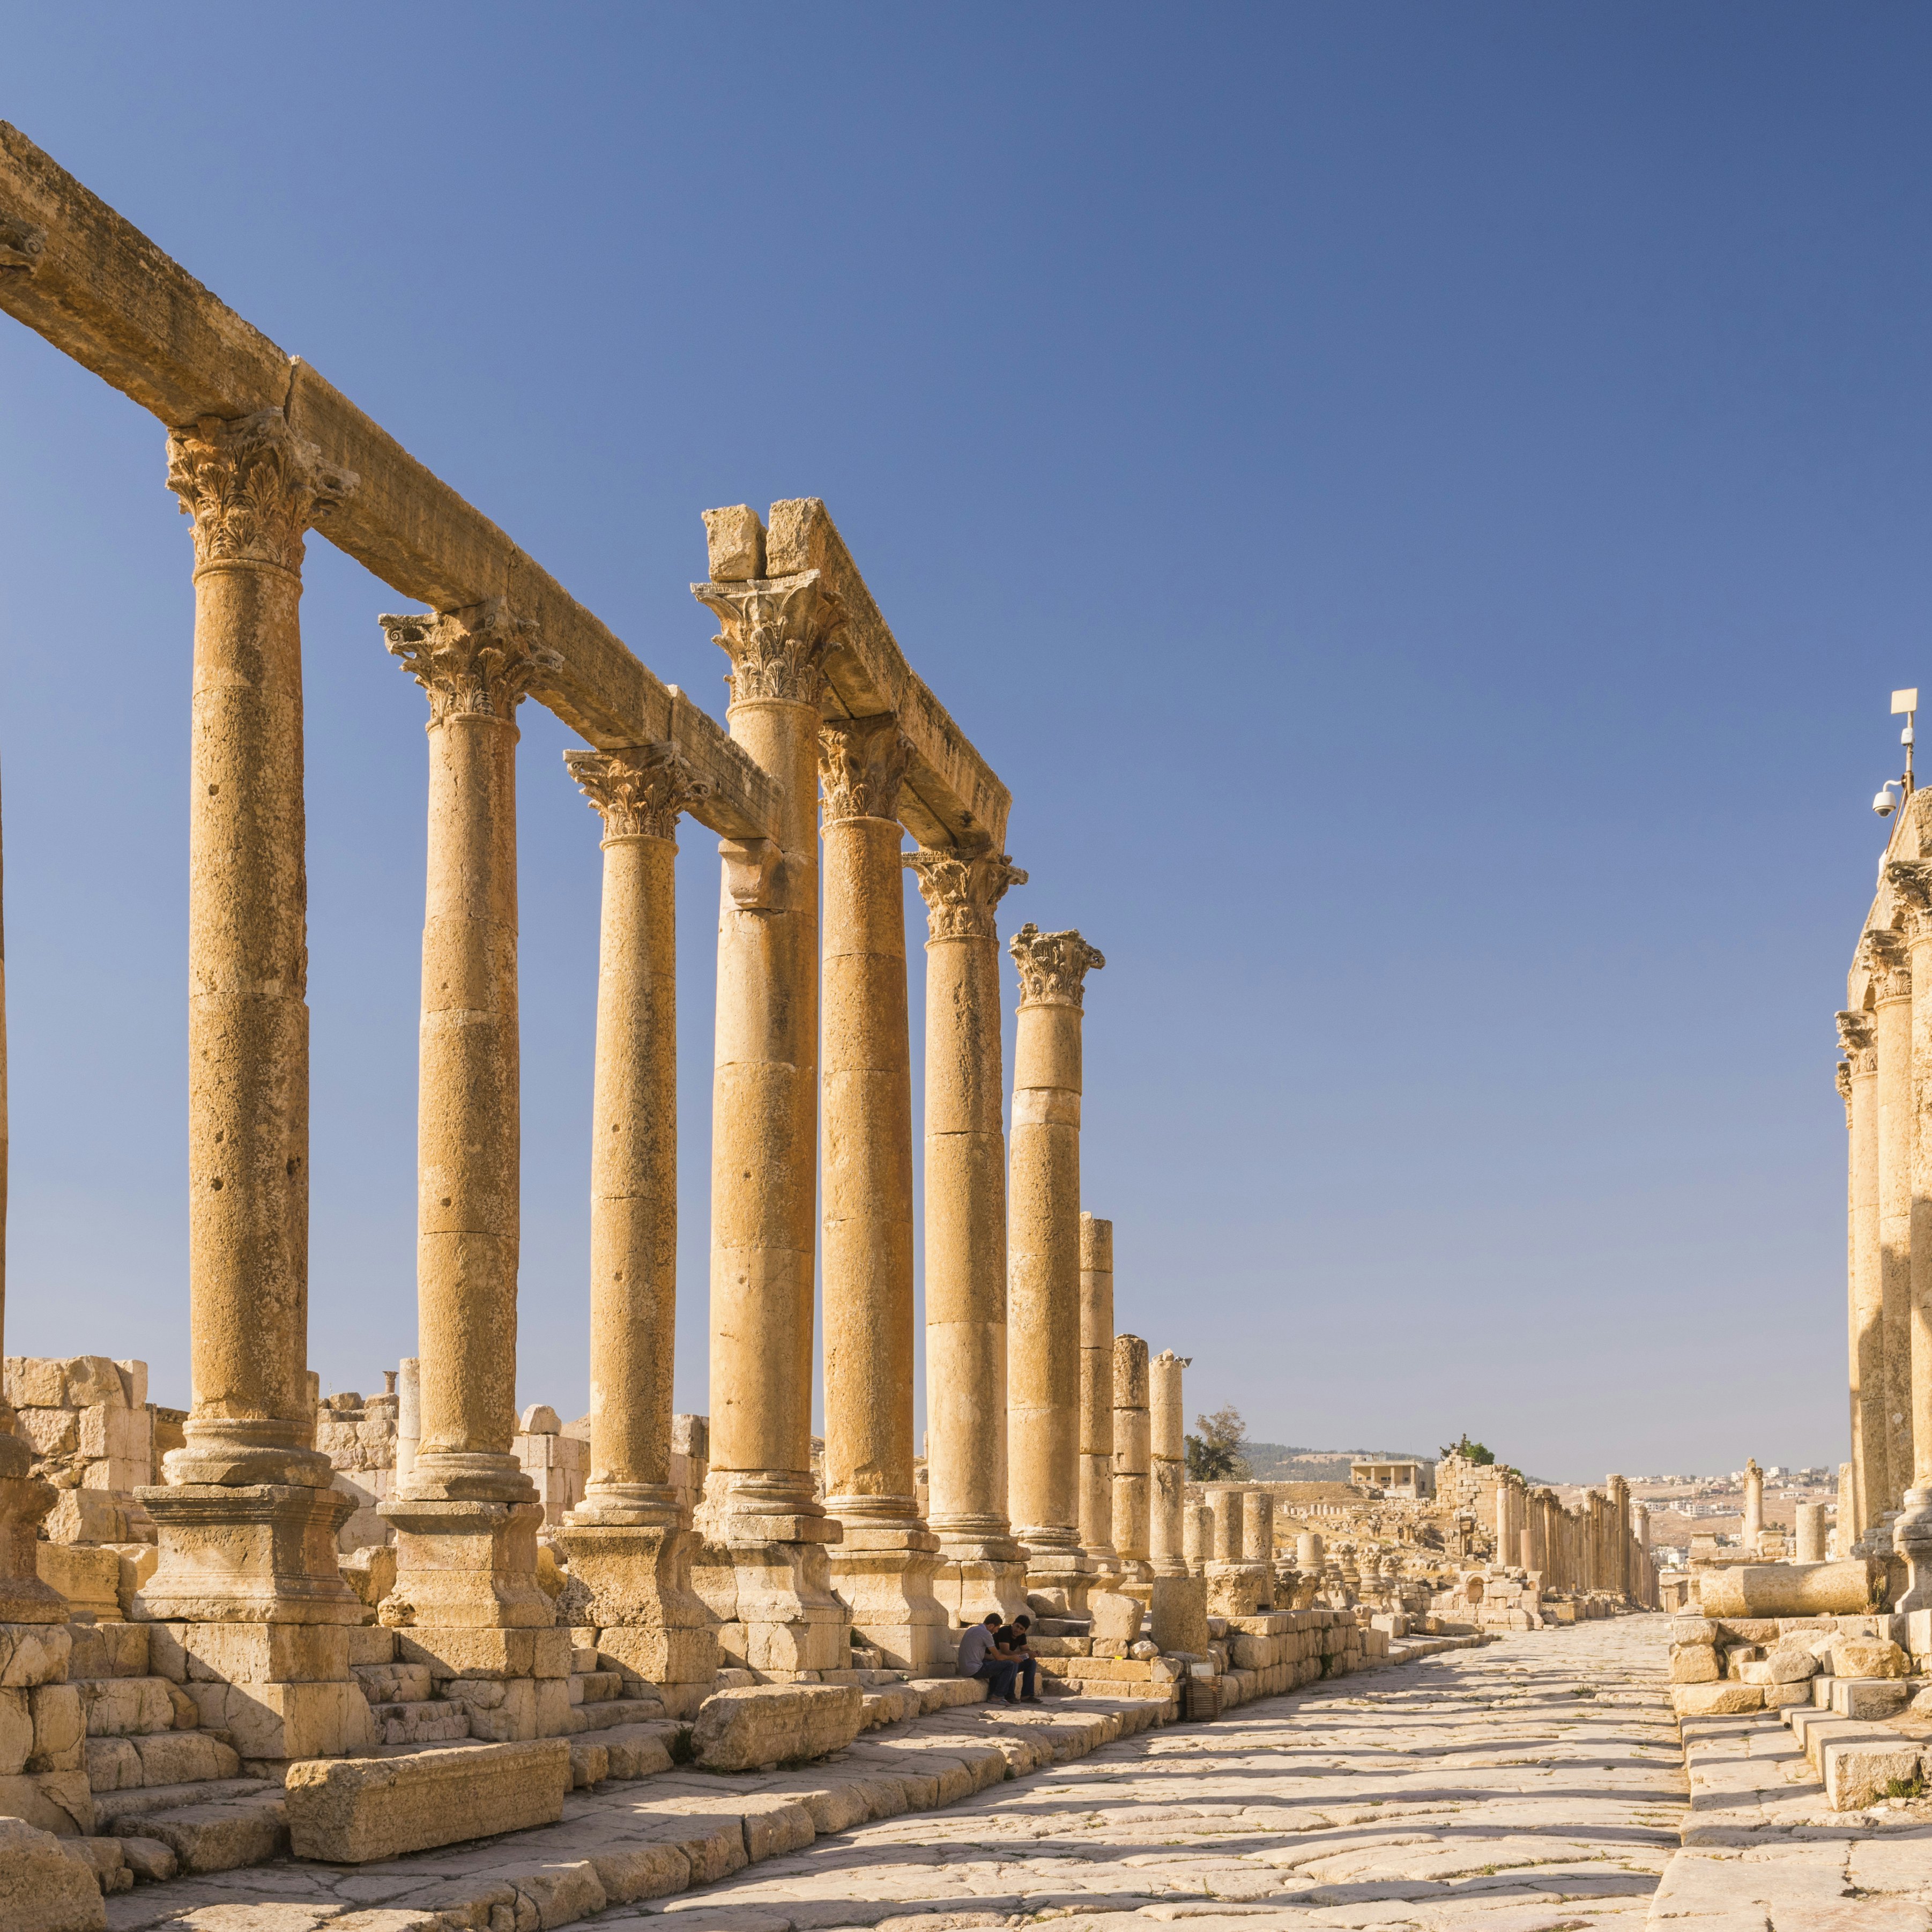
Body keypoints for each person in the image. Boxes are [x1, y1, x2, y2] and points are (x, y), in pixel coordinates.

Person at [956, 1611, 1021, 1701]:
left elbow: (984, 1655)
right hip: (975, 1670)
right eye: (997, 1628)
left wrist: (997, 1659)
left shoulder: (972, 1629)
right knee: (1011, 1664)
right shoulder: (986, 1634)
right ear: (991, 1626)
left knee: (997, 1664)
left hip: (965, 1670)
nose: (997, 1631)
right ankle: (998, 1696)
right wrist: (1012, 1658)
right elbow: (998, 1657)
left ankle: (992, 1693)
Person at [997, 1612, 1041, 1702]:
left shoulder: (1021, 1636)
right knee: (1014, 1662)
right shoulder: (1004, 1631)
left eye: (1021, 1629)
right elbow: (1006, 1652)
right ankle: (1010, 1695)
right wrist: (1027, 1653)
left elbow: (1026, 1650)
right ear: (1013, 1624)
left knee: (1031, 1663)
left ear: (1024, 1631)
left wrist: (1033, 1653)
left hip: (1008, 1661)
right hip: (998, 1661)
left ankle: (1027, 1695)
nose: (1018, 1630)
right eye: (1017, 1626)